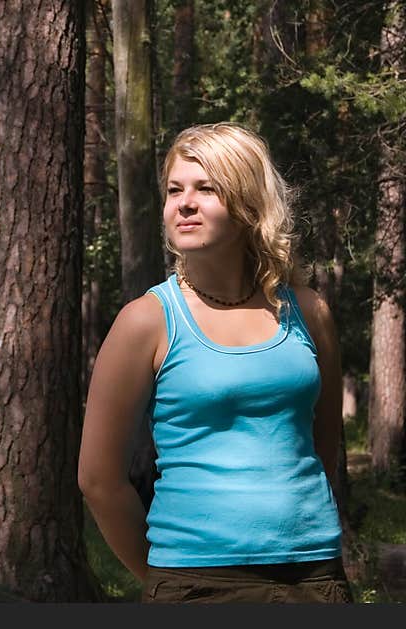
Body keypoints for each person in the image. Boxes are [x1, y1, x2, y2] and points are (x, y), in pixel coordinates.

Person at [77, 122, 353, 603]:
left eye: (206, 188)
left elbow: (322, 447)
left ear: (249, 206)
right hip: (195, 581)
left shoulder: (308, 312)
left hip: (314, 577)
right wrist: (165, 578)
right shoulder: (146, 321)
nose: (184, 203)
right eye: (174, 190)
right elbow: (98, 480)